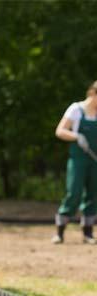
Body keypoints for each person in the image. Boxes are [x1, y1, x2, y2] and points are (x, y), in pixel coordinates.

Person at [52, 81, 97, 244]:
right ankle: (60, 231)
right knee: (74, 192)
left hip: (95, 161)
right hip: (78, 159)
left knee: (93, 195)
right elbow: (60, 131)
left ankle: (88, 233)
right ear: (93, 94)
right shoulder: (76, 109)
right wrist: (76, 136)